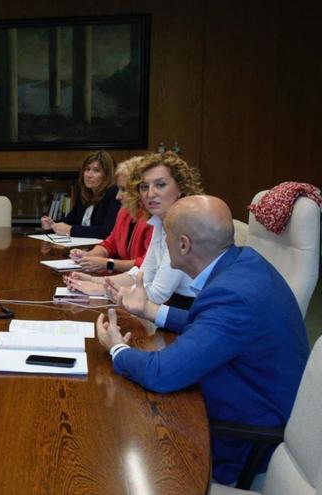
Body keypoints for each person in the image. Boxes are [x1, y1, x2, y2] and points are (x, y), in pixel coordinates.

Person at [96, 195, 310, 484]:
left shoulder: (231, 296)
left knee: (119, 443)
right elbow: (212, 326)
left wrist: (116, 347)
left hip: (243, 440)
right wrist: (149, 309)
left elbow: (161, 373)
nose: (162, 243)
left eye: (166, 237)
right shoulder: (244, 264)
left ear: (184, 245)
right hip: (246, 399)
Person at [66, 152, 203, 308]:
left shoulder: (184, 225)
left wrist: (102, 289)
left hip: (191, 311)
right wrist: (94, 280)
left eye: (160, 185)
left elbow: (158, 294)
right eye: (144, 187)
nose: (150, 194)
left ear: (181, 187)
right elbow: (143, 275)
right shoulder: (160, 221)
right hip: (171, 306)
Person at [69, 157, 153, 273]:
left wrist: (108, 264)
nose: (118, 196)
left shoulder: (154, 219)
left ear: (142, 189)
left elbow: (148, 264)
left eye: (124, 189)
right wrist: (89, 255)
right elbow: (111, 242)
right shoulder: (124, 211)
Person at [41, 150, 119, 239]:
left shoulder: (114, 194)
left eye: (96, 170)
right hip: (81, 248)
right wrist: (52, 225)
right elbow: (69, 221)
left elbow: (107, 232)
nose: (89, 175)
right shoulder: (85, 194)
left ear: (107, 175)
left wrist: (71, 230)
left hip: (101, 250)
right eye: (87, 169)